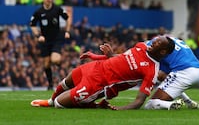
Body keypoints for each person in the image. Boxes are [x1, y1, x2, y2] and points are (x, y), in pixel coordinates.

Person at [30, 36, 177, 110]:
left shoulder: (152, 70)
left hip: (100, 84)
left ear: (162, 51)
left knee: (59, 104)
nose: (153, 42)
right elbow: (120, 59)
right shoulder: (141, 46)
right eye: (155, 40)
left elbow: (139, 101)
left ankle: (95, 105)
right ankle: (49, 101)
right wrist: (96, 56)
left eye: (157, 43)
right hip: (96, 66)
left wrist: (120, 110)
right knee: (67, 81)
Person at [144, 35, 199, 110]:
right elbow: (162, 75)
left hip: (184, 72)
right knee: (165, 78)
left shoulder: (153, 47)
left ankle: (172, 104)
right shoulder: (168, 41)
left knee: (150, 104)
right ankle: (188, 102)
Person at [30, 0, 71, 90]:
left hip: (56, 38)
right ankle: (50, 84)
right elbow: (32, 25)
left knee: (55, 59)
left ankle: (60, 67)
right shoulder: (38, 12)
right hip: (45, 41)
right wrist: (38, 35)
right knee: (47, 64)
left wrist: (67, 31)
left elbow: (67, 18)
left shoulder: (57, 9)